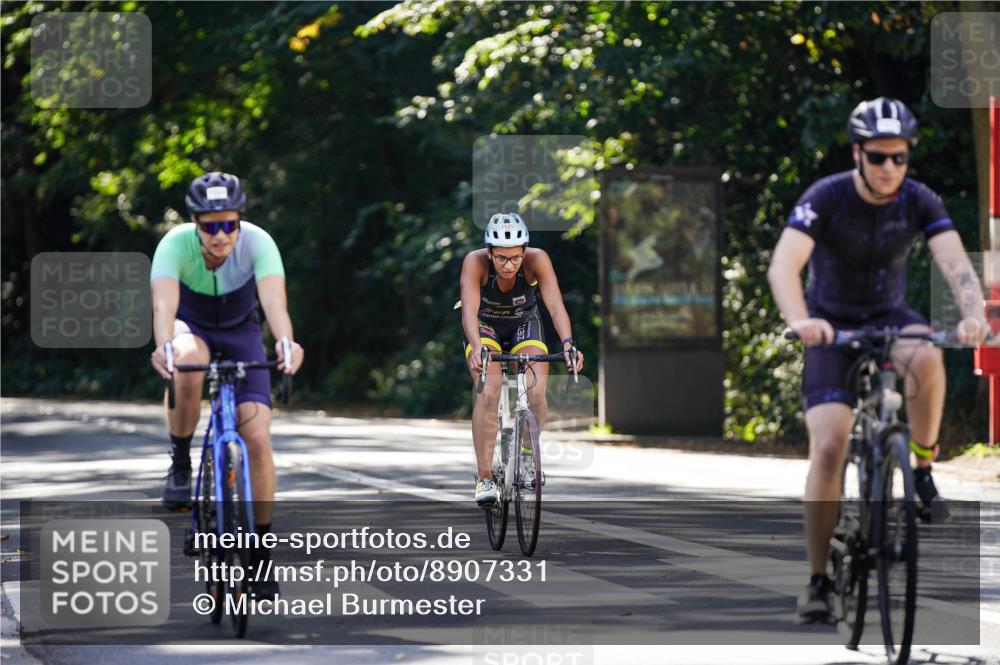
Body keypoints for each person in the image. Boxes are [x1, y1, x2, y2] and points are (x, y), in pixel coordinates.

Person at [767, 98, 988, 623]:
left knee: (928, 355)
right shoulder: (827, 196)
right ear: (858, 153)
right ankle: (819, 580)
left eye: (900, 158)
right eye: (879, 157)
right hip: (831, 323)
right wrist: (802, 321)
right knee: (829, 446)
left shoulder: (918, 199)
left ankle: (924, 465)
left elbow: (955, 263)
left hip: (891, 315)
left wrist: (973, 314)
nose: (890, 168)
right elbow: (784, 265)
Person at [149, 172, 304, 597]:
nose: (220, 236)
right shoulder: (173, 246)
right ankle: (181, 460)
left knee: (257, 439)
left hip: (241, 333)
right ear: (195, 223)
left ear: (239, 221)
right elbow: (164, 306)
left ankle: (260, 553)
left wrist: (287, 345)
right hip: (192, 327)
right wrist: (164, 345)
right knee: (189, 358)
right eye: (210, 226)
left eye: (229, 224)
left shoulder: (259, 243)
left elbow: (275, 304)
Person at [459, 212, 584, 507]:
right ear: (490, 252)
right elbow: (468, 310)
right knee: (488, 391)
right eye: (501, 258)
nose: (508, 264)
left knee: (536, 391)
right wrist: (476, 346)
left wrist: (568, 344)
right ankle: (485, 477)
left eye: (515, 257)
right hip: (484, 326)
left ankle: (526, 455)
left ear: (524, 250)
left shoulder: (537, 259)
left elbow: (554, 306)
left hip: (523, 324)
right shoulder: (474, 262)